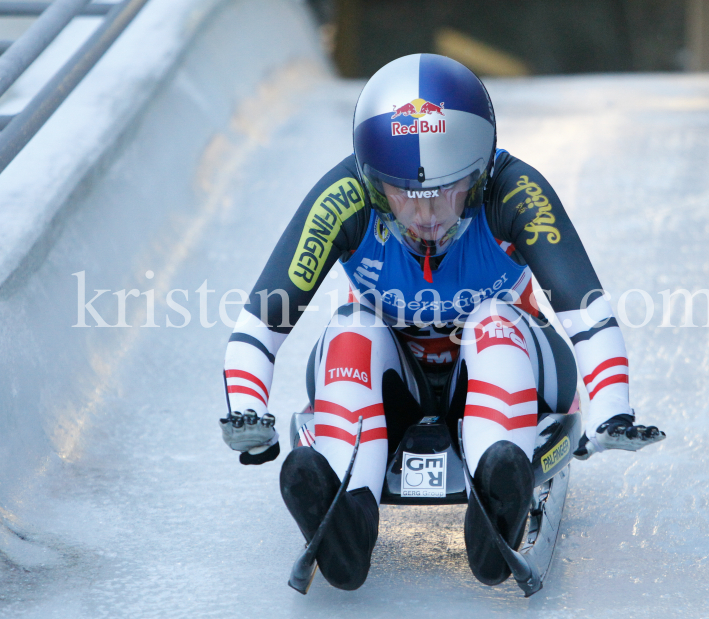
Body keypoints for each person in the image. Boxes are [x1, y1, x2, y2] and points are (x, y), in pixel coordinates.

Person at [219, 54, 665, 591]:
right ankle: (346, 514)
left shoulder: (515, 190)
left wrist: (612, 408)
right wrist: (245, 410)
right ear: (372, 180)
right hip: (394, 379)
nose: (426, 215)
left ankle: (496, 497)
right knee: (351, 328)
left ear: (478, 176)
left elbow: (585, 309)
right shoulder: (344, 198)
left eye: (444, 191)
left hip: (512, 363)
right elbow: (262, 320)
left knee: (494, 319)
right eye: (404, 193)